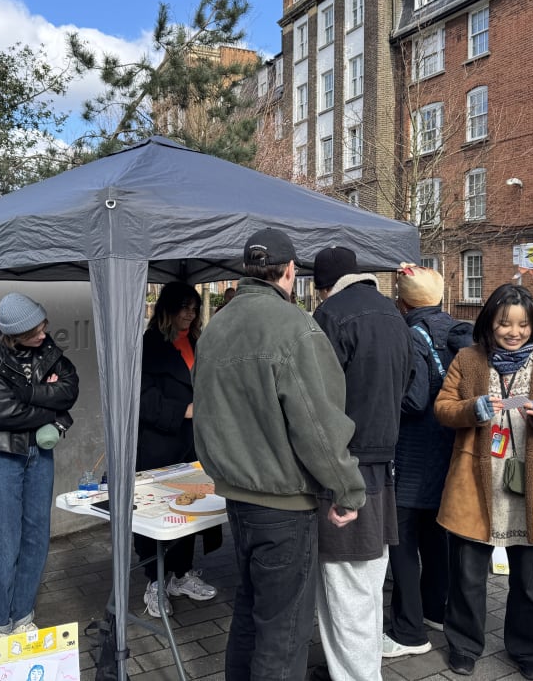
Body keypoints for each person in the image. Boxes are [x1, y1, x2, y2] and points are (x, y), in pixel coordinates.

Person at [193, 227, 365, 681]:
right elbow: (318, 424)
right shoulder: (294, 326)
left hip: (238, 496)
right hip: (282, 502)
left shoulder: (216, 326)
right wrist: (348, 489)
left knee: (250, 611)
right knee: (283, 630)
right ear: (291, 272)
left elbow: (204, 412)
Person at [434, 284, 533, 679]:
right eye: (504, 323)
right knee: (467, 577)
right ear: (490, 323)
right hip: (475, 481)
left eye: (522, 324)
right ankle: (464, 645)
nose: (513, 332)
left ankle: (527, 649)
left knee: (531, 581)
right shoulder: (468, 359)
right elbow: (443, 408)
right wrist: (471, 408)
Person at [310, 246, 413, 681]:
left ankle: (356, 675)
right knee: (369, 581)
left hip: (344, 468)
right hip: (386, 464)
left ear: (322, 286)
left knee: (344, 585)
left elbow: (317, 402)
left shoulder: (330, 316)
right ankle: (359, 668)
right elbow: (411, 387)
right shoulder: (395, 315)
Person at [0, 293, 80, 639]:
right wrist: (48, 403)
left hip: (38, 455)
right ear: (14, 333)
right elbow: (2, 412)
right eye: (35, 331)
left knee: (35, 538)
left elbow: (70, 389)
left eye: (43, 325)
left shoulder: (45, 348)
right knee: (0, 544)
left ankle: (22, 616)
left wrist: (26, 392)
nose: (44, 334)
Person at [384, 264, 473, 658]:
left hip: (413, 455)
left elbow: (415, 399)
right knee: (438, 535)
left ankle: (408, 631)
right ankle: (436, 608)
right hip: (451, 450)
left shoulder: (410, 335)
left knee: (402, 543)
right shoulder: (458, 332)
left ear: (402, 302)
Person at [135, 281, 219, 618]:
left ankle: (182, 574)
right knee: (155, 515)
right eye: (184, 307)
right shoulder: (149, 345)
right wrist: (182, 410)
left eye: (194, 307)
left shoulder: (199, 342)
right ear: (167, 309)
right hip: (159, 445)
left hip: (194, 442)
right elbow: (141, 397)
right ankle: (153, 582)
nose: (190, 313)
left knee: (190, 511)